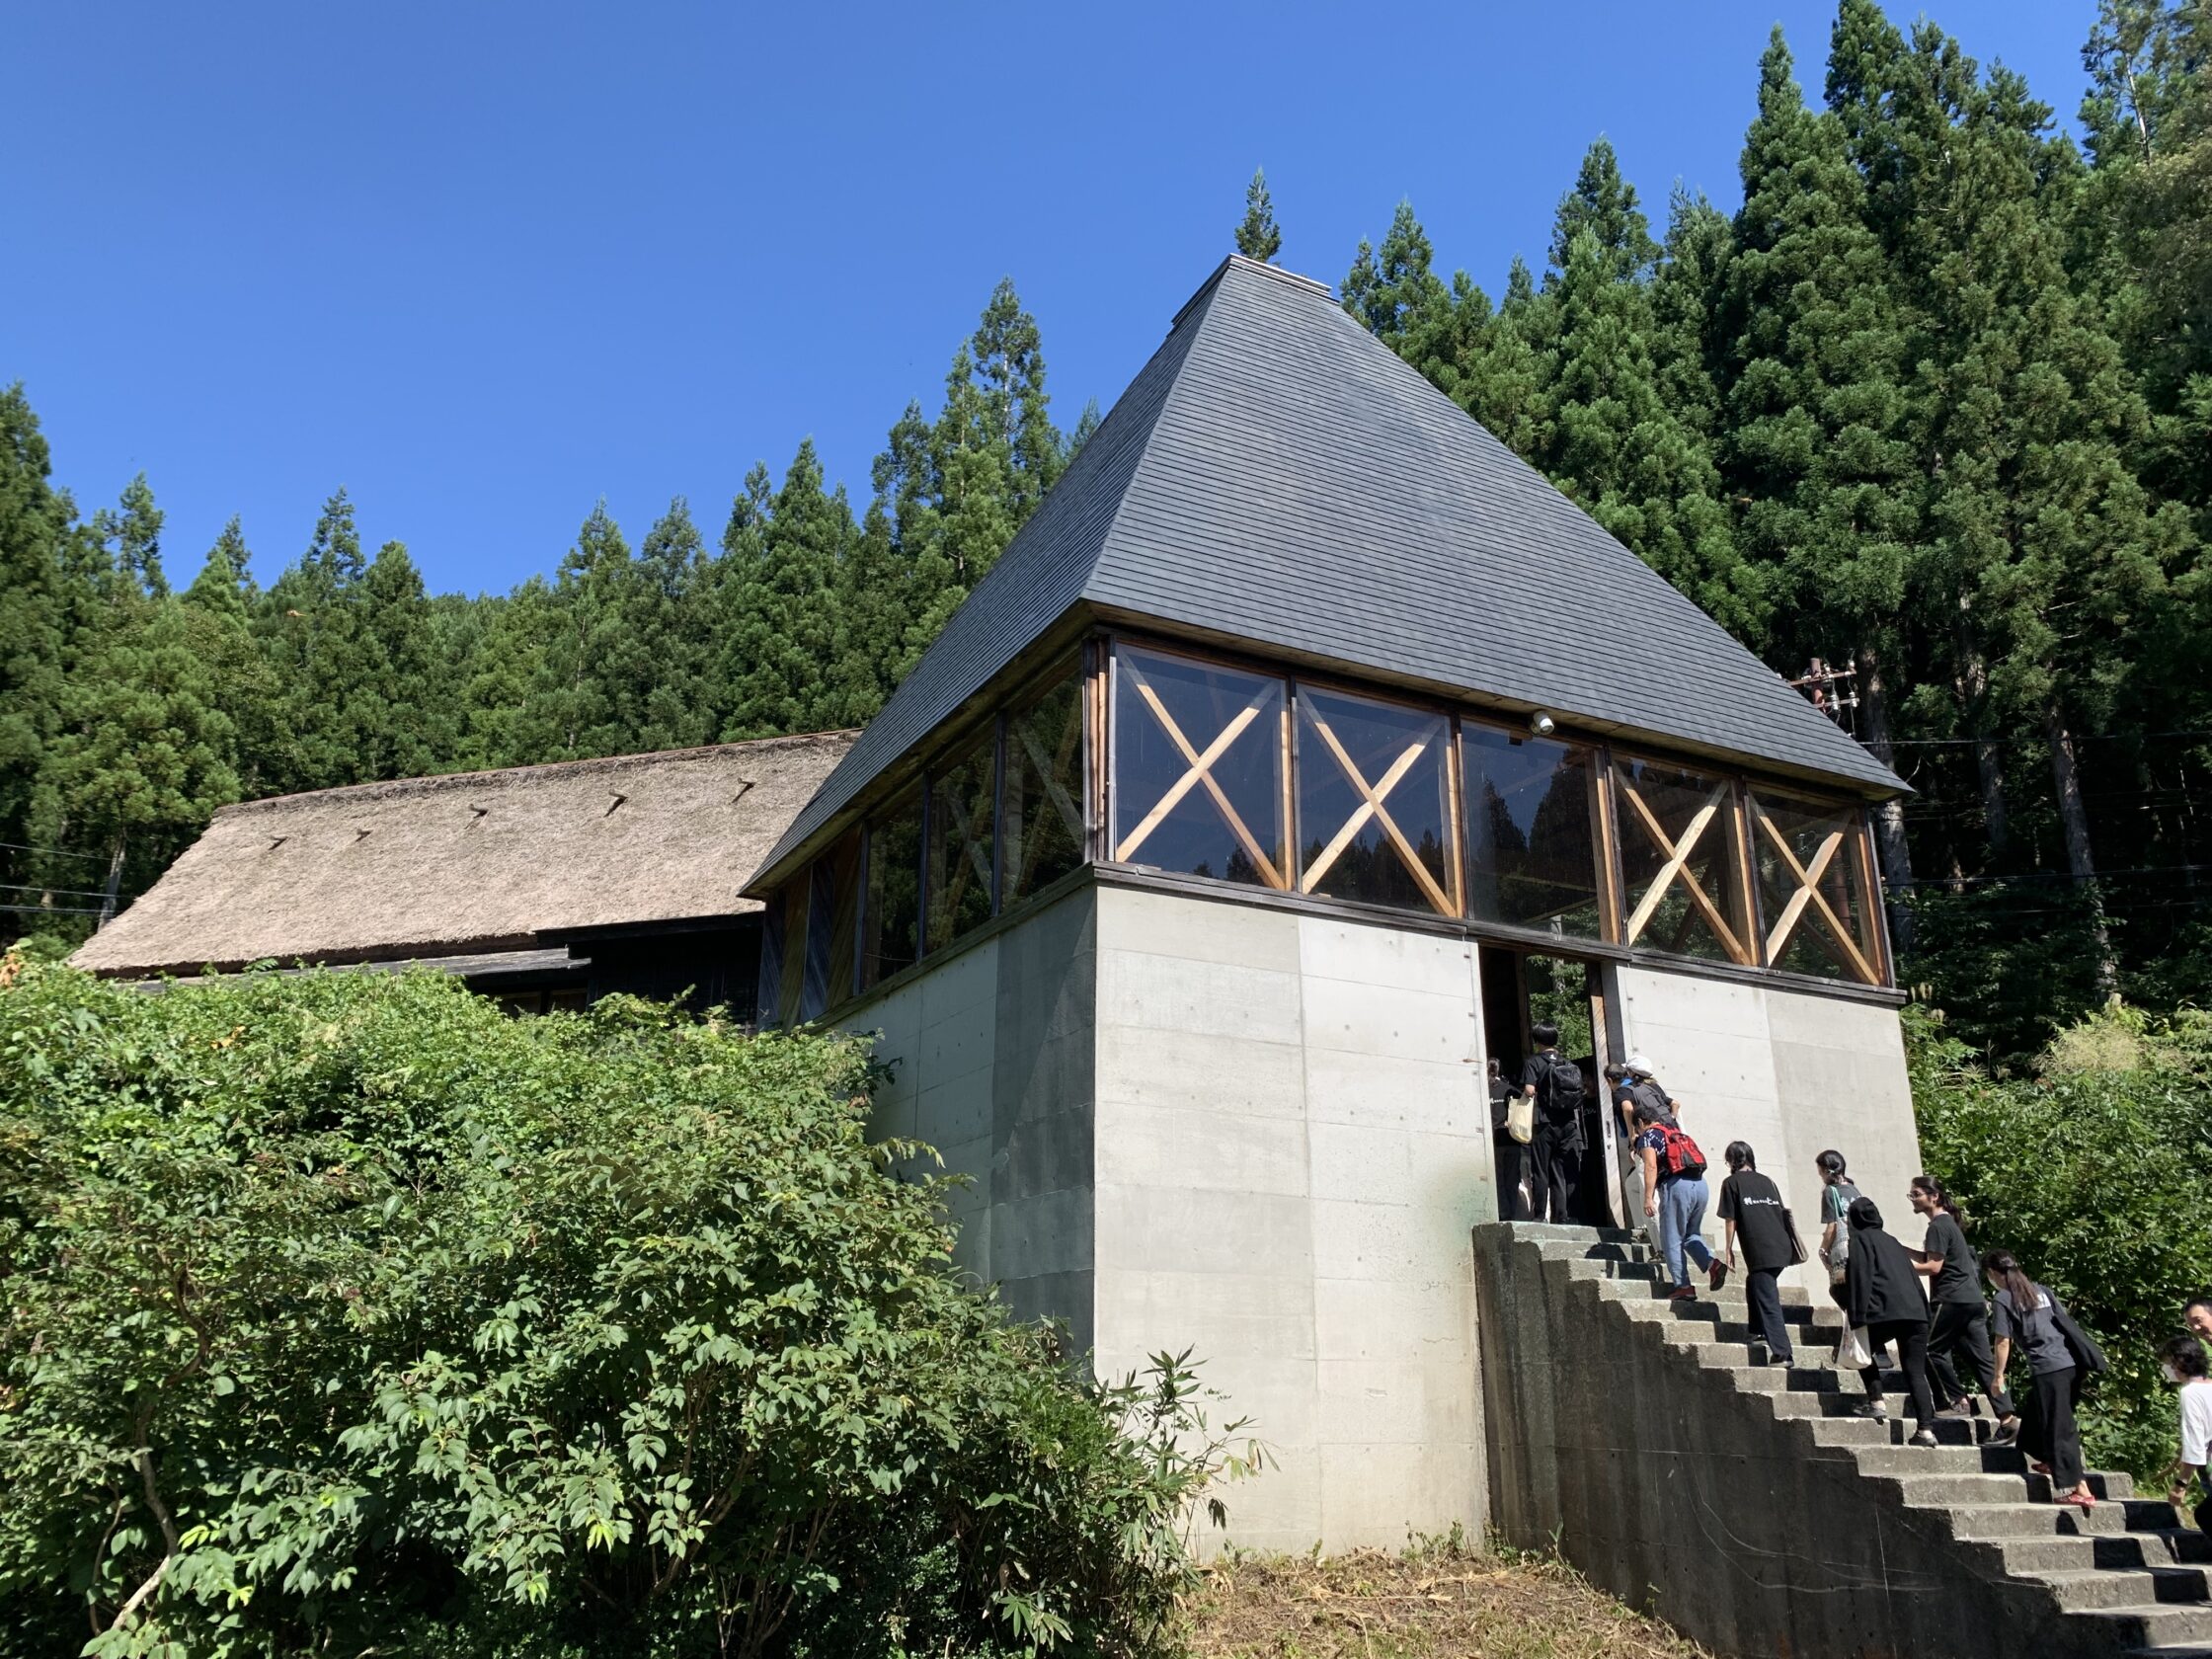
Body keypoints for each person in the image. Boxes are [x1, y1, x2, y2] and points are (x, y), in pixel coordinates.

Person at [1907, 1175, 2020, 1446]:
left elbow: (1934, 1267)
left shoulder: (1937, 1225)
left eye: (1916, 1194)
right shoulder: (1949, 1225)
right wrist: (1901, 1252)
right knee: (1985, 1363)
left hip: (1951, 1299)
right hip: (1974, 1301)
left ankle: (1957, 1400)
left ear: (1933, 1197)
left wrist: (1898, 1267)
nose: (1913, 1199)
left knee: (1927, 1349)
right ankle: (2007, 1419)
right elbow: (1933, 1259)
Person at [1987, 1248, 2094, 1510]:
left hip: (2049, 1368)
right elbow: (2064, 1321)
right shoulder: (2041, 1291)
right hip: (2070, 1364)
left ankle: (2081, 1489)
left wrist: (1998, 1375)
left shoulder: (2003, 1297)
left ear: (1992, 1274)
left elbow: (2003, 1341)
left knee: (2060, 1428)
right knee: (2036, 1414)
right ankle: (2049, 1459)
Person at [1843, 1197, 1940, 1444]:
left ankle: (1876, 1401)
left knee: (1862, 1351)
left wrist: (1856, 1315)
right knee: (1915, 1373)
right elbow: (1912, 1276)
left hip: (1884, 1311)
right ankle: (1925, 1430)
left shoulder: (1860, 1240)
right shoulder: (1892, 1241)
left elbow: (1860, 1276)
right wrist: (1925, 1313)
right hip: (1916, 1313)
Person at [1633, 1097, 1723, 1300]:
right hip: (1700, 1185)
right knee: (1691, 1235)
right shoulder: (1675, 1132)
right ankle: (1713, 1264)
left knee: (1671, 1238)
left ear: (1640, 1123)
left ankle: (1683, 1286)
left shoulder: (1648, 1136)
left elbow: (1650, 1166)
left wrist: (1648, 1197)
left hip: (1677, 1186)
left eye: (1637, 1128)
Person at [1716, 1142, 1794, 1364]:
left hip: (1760, 1249)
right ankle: (1757, 1330)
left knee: (1768, 1300)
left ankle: (1783, 1353)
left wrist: (1729, 1247)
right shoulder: (1767, 1181)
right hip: (1781, 1245)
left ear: (1731, 1161)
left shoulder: (1731, 1183)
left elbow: (1731, 1219)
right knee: (1756, 1284)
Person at [1518, 1023, 1585, 1224]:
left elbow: (1529, 1090)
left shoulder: (1534, 1062)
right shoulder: (1567, 1062)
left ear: (1537, 1041)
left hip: (1545, 1122)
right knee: (1559, 1170)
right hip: (1567, 1122)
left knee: (1540, 1170)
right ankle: (1562, 1216)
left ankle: (1540, 1215)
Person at [2162, 1335, 2212, 1535]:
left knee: (2206, 1516)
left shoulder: (2190, 1392)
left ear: (2178, 1363)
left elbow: (2195, 1441)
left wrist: (2181, 1484)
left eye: (2167, 1362)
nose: (2166, 1368)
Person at [1488, 1057, 1525, 1223]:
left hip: (1494, 1141)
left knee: (1497, 1179)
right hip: (1512, 1139)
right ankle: (1512, 1213)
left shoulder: (1483, 1092)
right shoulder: (1511, 1090)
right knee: (1512, 1179)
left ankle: (1502, 1213)